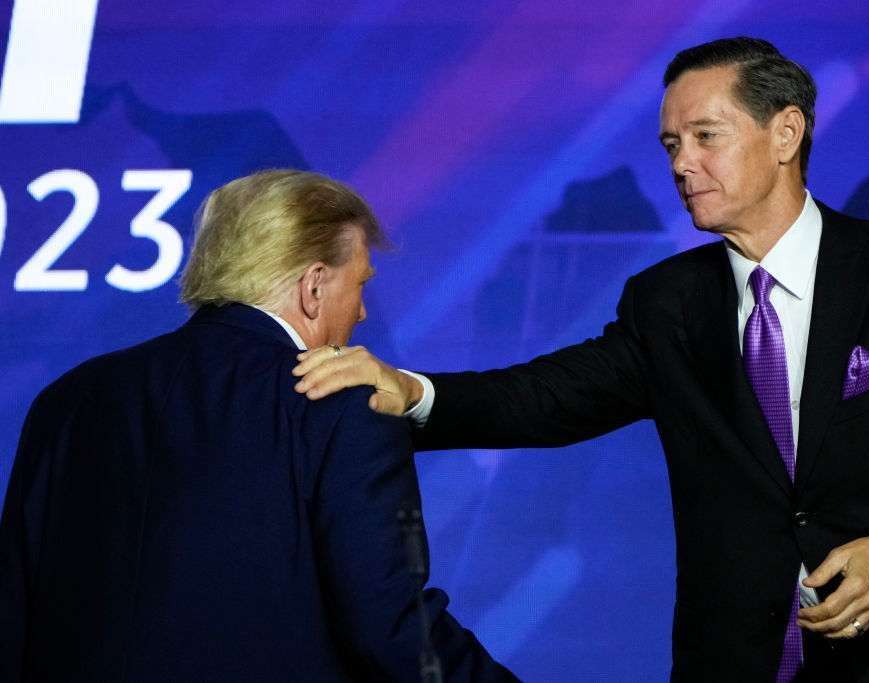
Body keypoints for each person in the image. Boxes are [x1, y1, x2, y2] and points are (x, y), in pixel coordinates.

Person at [293, 38, 869, 681]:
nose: (684, 164)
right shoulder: (667, 301)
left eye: (706, 136)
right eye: (671, 145)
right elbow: (551, 395)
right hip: (740, 659)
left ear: (785, 133)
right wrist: (410, 389)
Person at [0, 170, 518, 682]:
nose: (361, 312)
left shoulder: (69, 398)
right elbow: (390, 626)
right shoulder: (339, 405)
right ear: (314, 285)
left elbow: (14, 607)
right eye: (360, 284)